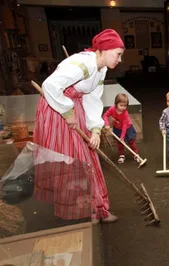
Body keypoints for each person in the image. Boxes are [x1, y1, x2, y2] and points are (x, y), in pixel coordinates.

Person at [34, 29, 124, 224]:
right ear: (103, 49)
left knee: (87, 157)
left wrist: (96, 130)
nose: (120, 59)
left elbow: (92, 98)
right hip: (56, 110)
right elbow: (50, 85)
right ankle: (91, 207)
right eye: (118, 54)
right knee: (73, 159)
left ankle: (96, 207)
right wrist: (67, 112)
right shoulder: (84, 62)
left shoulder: (101, 68)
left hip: (75, 109)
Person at [103, 93, 140, 164]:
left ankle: (136, 154)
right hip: (117, 128)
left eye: (125, 106)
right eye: (121, 105)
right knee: (119, 142)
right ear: (116, 104)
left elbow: (124, 126)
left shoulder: (125, 113)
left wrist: (122, 137)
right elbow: (105, 115)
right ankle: (122, 155)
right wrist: (107, 124)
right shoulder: (112, 109)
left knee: (131, 141)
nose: (123, 107)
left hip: (127, 128)